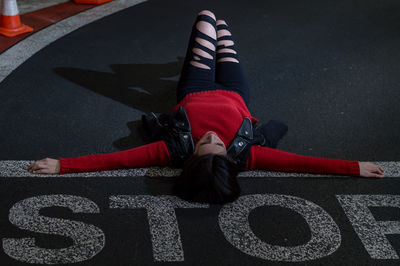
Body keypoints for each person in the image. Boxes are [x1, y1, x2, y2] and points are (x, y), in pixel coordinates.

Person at [27, 10, 384, 203]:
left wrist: (62, 165)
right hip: (234, 91)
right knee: (224, 30)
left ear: (192, 158)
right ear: (228, 158)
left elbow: (112, 161)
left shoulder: (172, 149)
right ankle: (208, 49)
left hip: (195, 88)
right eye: (218, 143)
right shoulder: (246, 156)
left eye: (203, 143)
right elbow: (306, 164)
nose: (211, 136)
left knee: (207, 16)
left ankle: (179, 63)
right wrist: (355, 167)